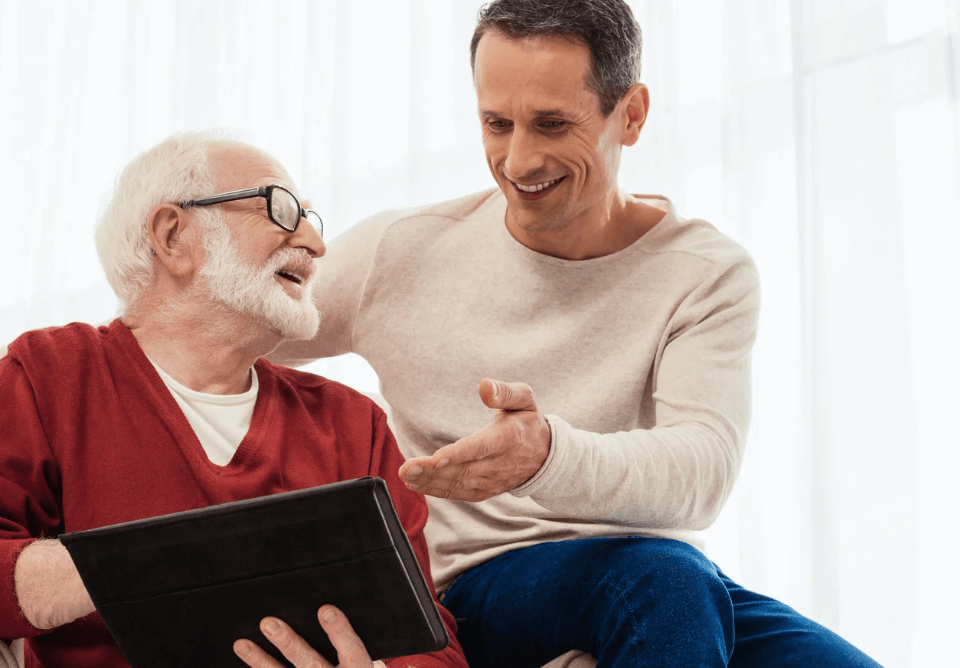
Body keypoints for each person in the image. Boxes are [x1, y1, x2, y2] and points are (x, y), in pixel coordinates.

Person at [270, 1, 883, 666]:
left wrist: (546, 457)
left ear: (632, 115)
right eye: (495, 123)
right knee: (660, 579)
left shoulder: (705, 273)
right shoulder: (399, 251)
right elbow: (226, 336)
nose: (518, 160)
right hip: (479, 586)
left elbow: (701, 471)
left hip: (661, 582)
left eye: (552, 124)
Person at [0, 132, 468, 668]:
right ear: (174, 237)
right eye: (281, 209)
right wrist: (154, 564)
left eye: (313, 222)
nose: (315, 246)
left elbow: (435, 645)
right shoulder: (50, 374)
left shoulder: (351, 423)